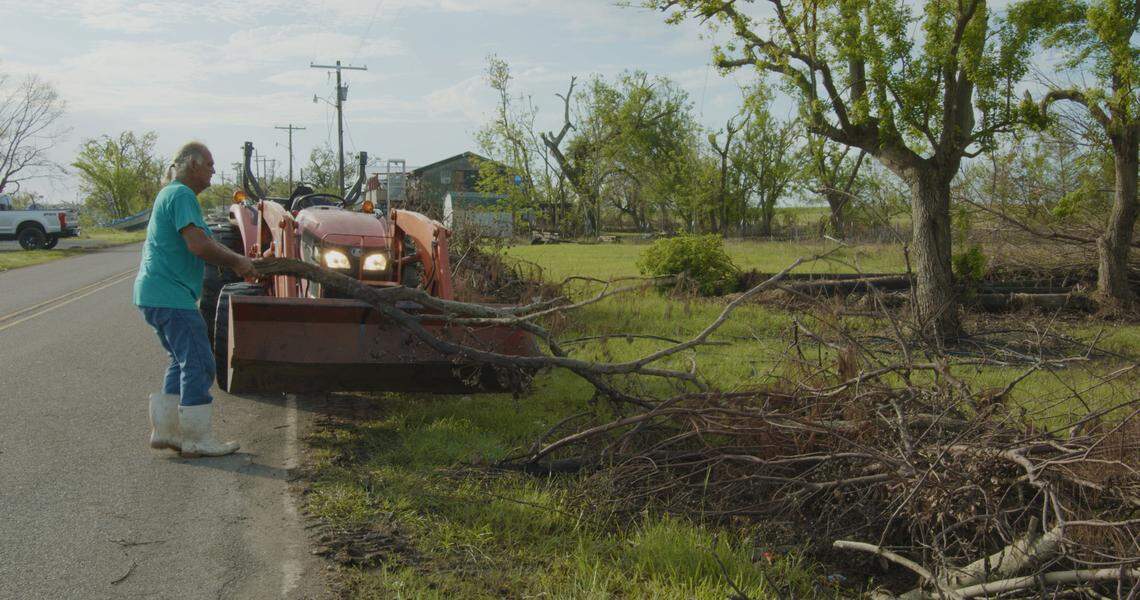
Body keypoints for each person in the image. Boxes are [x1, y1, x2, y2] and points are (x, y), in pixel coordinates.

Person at [133, 141, 256, 458]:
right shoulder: (182, 195)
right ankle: (197, 439)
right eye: (210, 164)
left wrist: (246, 258)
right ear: (192, 164)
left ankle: (167, 431)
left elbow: (207, 243)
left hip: (156, 295)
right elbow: (199, 245)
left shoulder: (171, 195)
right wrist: (237, 263)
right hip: (170, 296)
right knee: (200, 364)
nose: (214, 170)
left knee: (181, 361)